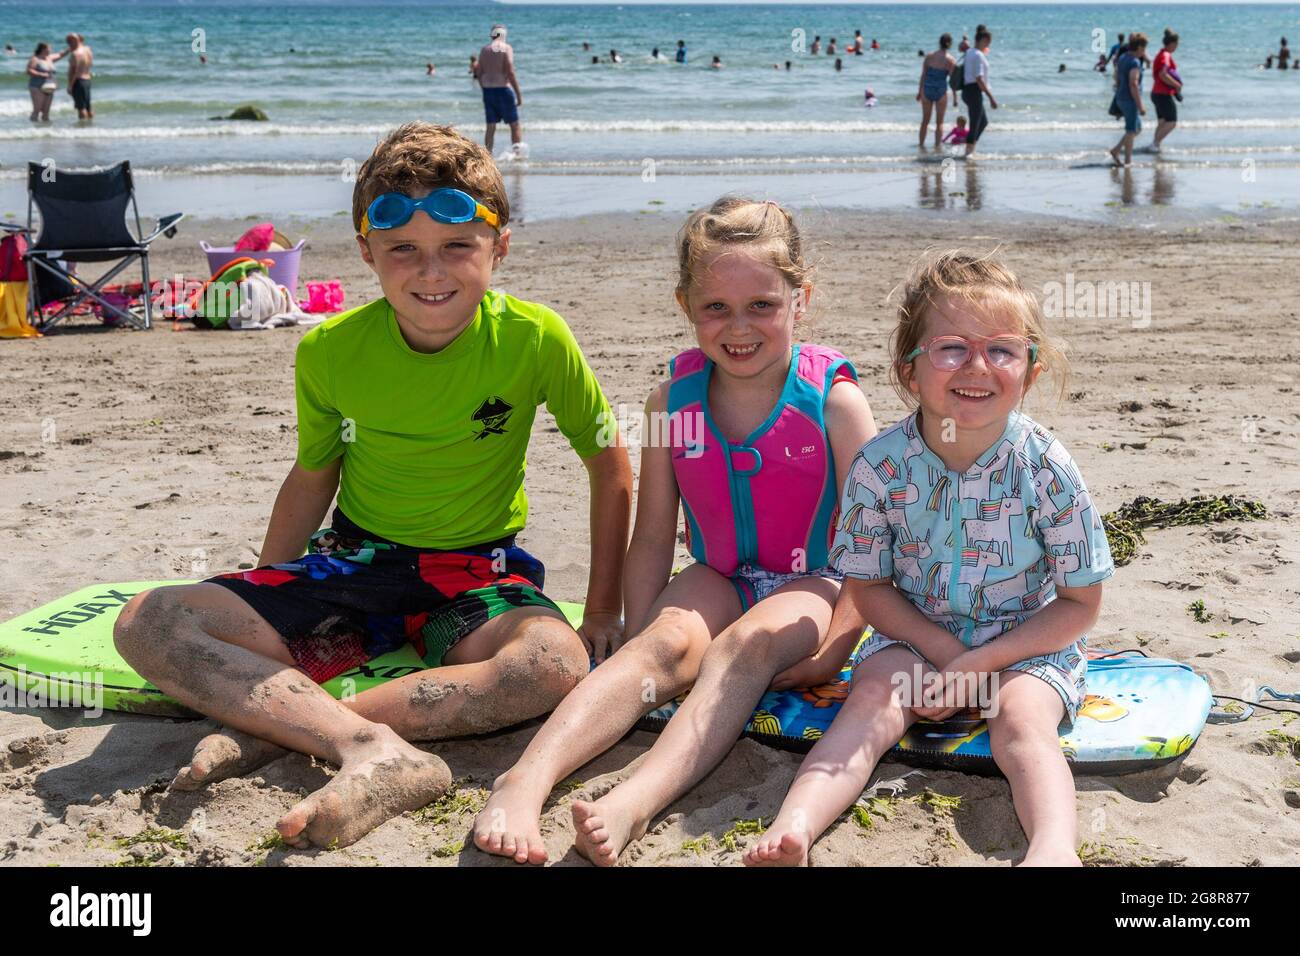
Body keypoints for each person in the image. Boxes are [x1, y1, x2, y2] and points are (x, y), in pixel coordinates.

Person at [113, 122, 633, 851]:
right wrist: (269, 586)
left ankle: (286, 728)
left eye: (457, 246)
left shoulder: (535, 337)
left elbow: (608, 462)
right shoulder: (329, 350)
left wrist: (603, 606)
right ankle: (369, 747)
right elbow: (313, 475)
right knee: (149, 621)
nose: (431, 271)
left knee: (549, 666)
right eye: (403, 250)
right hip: (352, 568)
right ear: (367, 252)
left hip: (474, 574)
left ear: (500, 247)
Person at [472, 197, 877, 865]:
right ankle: (523, 781)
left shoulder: (834, 402)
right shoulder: (671, 403)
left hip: (815, 582)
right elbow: (655, 533)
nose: (738, 327)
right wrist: (637, 633)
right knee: (660, 647)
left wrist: (838, 645)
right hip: (716, 575)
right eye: (716, 307)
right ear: (685, 304)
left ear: (800, 299)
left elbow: (874, 542)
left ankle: (634, 801)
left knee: (744, 646)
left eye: (762, 305)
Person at [746, 251, 1113, 867]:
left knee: (1023, 722)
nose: (977, 366)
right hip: (916, 638)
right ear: (909, 371)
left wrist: (981, 664)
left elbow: (1080, 603)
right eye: (951, 348)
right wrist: (946, 655)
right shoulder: (880, 465)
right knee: (868, 705)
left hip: (1024, 646)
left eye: (1002, 349)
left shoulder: (1047, 466)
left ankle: (1052, 848)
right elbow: (869, 587)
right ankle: (795, 827)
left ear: (1030, 370)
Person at [474, 25, 523, 155]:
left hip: (488, 91)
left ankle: (487, 156)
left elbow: (479, 73)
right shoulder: (506, 48)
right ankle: (517, 154)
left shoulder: (484, 50)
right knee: (514, 125)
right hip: (503, 90)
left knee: (490, 126)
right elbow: (510, 72)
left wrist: (484, 88)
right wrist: (518, 95)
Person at [1110, 32, 1148, 166]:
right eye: (1144, 49)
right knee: (1131, 131)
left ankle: (1116, 150)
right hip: (1129, 100)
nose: (1144, 52)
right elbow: (1133, 84)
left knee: (1136, 129)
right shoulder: (1134, 62)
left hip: (1120, 97)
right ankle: (1128, 161)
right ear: (1139, 48)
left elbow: (1117, 77)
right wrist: (1141, 106)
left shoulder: (1123, 58)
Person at [961, 28, 997, 158]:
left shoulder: (970, 52)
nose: (988, 45)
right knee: (976, 123)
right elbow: (978, 78)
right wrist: (991, 97)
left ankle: (970, 148)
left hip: (968, 90)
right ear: (983, 40)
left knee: (983, 122)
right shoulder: (977, 55)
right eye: (988, 42)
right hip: (974, 90)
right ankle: (968, 153)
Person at [917, 33, 957, 148]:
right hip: (941, 91)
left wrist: (920, 92)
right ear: (950, 44)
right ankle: (937, 146)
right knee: (939, 122)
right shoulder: (950, 60)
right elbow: (953, 82)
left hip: (927, 89)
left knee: (925, 121)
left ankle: (921, 145)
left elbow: (923, 75)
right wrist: (955, 98)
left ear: (939, 42)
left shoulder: (929, 57)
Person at [1148, 30, 1182, 152]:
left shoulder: (1161, 53)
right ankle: (1155, 144)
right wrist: (1176, 85)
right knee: (1171, 122)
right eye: (1176, 44)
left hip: (1156, 93)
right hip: (1162, 94)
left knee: (1162, 122)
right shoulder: (1166, 55)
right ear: (1172, 43)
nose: (1177, 46)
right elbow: (1163, 74)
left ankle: (1155, 146)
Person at [26, 42, 66, 123]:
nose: (51, 50)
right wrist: (41, 74)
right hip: (37, 86)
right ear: (43, 49)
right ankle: (32, 128)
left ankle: (46, 128)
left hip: (49, 86)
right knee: (37, 109)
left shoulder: (49, 58)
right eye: (49, 48)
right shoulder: (35, 59)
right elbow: (29, 70)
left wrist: (70, 49)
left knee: (46, 111)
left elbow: (60, 55)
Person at [65, 33, 92, 120]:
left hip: (79, 81)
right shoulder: (87, 49)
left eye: (69, 42)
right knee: (88, 107)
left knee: (81, 108)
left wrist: (70, 85)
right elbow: (90, 64)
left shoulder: (75, 54)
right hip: (87, 79)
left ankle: (83, 126)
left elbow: (74, 72)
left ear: (75, 41)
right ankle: (90, 124)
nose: (68, 44)